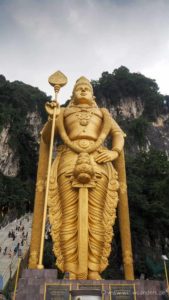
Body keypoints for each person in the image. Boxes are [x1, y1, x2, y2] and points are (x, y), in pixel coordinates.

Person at [29, 76, 134, 280]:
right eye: (80, 88)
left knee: (97, 217)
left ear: (93, 94)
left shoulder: (102, 114)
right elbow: (46, 137)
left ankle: (94, 268)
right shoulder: (64, 112)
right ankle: (70, 268)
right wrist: (52, 118)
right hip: (68, 160)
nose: (83, 90)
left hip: (99, 161)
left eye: (87, 88)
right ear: (73, 94)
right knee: (68, 216)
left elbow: (119, 134)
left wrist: (114, 152)